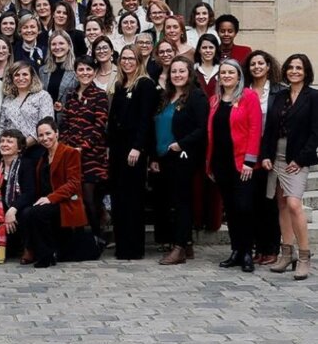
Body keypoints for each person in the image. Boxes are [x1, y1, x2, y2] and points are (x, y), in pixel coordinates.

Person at [262, 53, 318, 280]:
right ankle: (287, 253)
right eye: (291, 67)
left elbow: (315, 133)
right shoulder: (280, 95)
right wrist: (266, 155)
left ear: (306, 72)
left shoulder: (313, 97)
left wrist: (301, 159)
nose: (294, 71)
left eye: (299, 68)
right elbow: (270, 129)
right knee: (282, 204)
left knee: (294, 203)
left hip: (298, 158)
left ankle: (304, 257)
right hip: (277, 156)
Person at [149, 56, 209, 266]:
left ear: (190, 73)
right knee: (170, 202)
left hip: (183, 156)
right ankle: (187, 243)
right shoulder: (166, 96)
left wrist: (181, 144)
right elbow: (156, 127)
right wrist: (155, 156)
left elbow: (202, 129)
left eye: (182, 71)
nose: (177, 75)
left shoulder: (197, 97)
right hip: (163, 157)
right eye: (174, 71)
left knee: (182, 202)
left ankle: (180, 247)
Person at [207, 58, 262, 273]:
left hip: (242, 163)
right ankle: (236, 250)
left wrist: (250, 160)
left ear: (239, 75)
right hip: (221, 163)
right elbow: (211, 133)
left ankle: (248, 251)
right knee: (230, 208)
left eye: (231, 72)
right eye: (223, 73)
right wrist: (209, 164)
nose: (227, 76)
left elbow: (255, 129)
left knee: (244, 207)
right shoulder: (215, 100)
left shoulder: (249, 97)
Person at [107, 45, 157, 260]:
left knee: (132, 198)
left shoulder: (144, 85)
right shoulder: (120, 84)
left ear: (139, 61)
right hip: (117, 148)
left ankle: (134, 247)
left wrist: (138, 147)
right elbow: (113, 119)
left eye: (131, 59)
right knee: (118, 197)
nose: (127, 62)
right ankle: (122, 245)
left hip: (133, 148)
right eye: (124, 58)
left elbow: (146, 119)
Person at [21, 117, 88, 268]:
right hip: (48, 201)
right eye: (41, 135)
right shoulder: (42, 157)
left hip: (66, 201)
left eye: (48, 133)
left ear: (57, 133)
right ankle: (35, 250)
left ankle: (47, 255)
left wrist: (51, 198)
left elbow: (73, 184)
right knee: (26, 212)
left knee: (38, 213)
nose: (45, 138)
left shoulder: (69, 153)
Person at [59, 56, 109, 241]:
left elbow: (99, 125)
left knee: (90, 199)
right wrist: (66, 147)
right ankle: (79, 238)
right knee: (74, 197)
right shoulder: (71, 95)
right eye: (81, 70)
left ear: (94, 72)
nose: (85, 73)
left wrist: (83, 147)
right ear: (76, 72)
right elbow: (65, 123)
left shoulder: (100, 95)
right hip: (71, 155)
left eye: (89, 70)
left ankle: (99, 236)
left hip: (92, 156)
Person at [246, 49, 282, 265]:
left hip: (270, 153)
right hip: (249, 153)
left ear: (269, 66)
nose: (257, 67)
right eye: (253, 64)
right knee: (254, 202)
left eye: (261, 63)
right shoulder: (244, 90)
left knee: (270, 203)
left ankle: (272, 248)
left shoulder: (278, 91)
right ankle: (258, 247)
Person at [0, 128, 35, 263]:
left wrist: (13, 210)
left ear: (19, 148)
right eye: (3, 141)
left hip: (20, 212)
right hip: (1, 217)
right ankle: (9, 246)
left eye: (10, 142)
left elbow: (30, 193)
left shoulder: (26, 165)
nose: (4, 144)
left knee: (27, 213)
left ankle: (28, 248)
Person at [0, 61, 54, 156]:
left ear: (32, 76)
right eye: (17, 75)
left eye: (25, 74)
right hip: (10, 152)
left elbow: (46, 124)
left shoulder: (43, 96)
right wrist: (6, 143)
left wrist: (22, 146)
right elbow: (1, 126)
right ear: (12, 78)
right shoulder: (8, 99)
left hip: (36, 150)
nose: (21, 78)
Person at [38, 32, 76, 112]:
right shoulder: (42, 70)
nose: (57, 47)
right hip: (46, 118)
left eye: (61, 43)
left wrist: (64, 107)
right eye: (53, 44)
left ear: (69, 45)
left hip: (68, 118)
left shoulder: (77, 70)